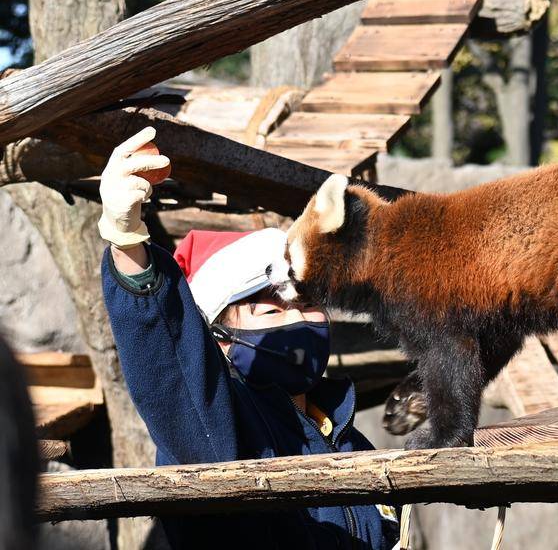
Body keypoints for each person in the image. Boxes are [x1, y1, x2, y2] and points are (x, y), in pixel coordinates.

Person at [98, 126, 400, 549]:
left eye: (307, 302)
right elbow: (171, 367)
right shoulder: (213, 430)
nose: (297, 316)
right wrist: (126, 244)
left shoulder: (351, 437)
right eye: (272, 308)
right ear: (219, 337)